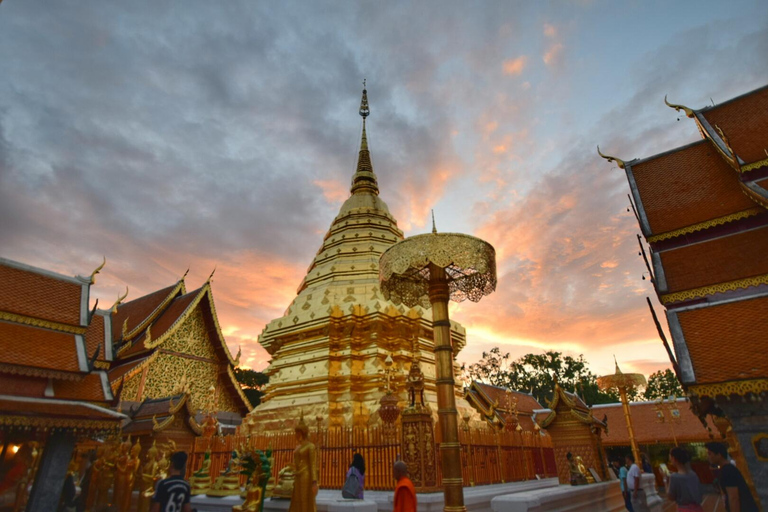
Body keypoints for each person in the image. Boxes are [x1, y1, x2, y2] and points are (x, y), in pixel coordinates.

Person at [706, 442, 758, 512]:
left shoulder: (727, 471)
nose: (708, 457)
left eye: (710, 454)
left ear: (719, 455)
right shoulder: (727, 469)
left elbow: (734, 497)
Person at [288, 415, 318, 512]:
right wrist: (287, 464)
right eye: (296, 432)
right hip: (297, 476)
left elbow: (313, 464)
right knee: (297, 499)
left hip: (306, 475)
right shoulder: (298, 448)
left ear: (302, 433)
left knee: (304, 500)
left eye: (298, 432)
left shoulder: (310, 446)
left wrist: (314, 482)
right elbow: (296, 464)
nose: (296, 435)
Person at [666, 447, 703, 512]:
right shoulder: (693, 474)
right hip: (698, 508)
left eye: (671, 458)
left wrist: (665, 479)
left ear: (674, 459)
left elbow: (670, 497)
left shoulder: (674, 477)